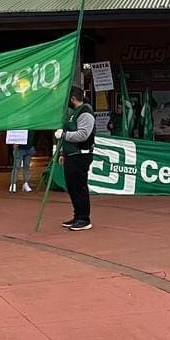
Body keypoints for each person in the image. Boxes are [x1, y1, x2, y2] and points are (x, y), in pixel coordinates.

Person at [57, 86, 96, 231]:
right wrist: (62, 152)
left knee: (79, 187)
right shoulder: (74, 113)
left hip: (81, 155)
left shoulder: (86, 113)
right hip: (70, 155)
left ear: (73, 98)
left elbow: (83, 135)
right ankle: (77, 215)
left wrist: (64, 135)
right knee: (72, 187)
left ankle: (84, 219)